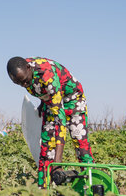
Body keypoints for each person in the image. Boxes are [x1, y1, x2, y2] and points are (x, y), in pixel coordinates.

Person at [7, 56, 94, 187]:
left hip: (72, 99)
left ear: (28, 68)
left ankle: (92, 185)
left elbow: (60, 121)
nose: (24, 85)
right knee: (46, 147)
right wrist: (43, 103)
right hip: (52, 101)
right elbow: (43, 91)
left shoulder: (47, 75)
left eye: (25, 81)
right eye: (19, 83)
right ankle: (44, 194)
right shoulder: (21, 71)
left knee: (80, 142)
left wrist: (58, 162)